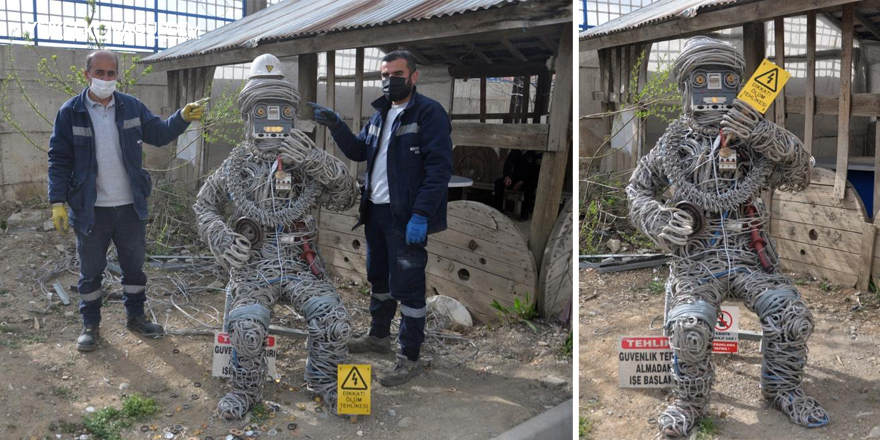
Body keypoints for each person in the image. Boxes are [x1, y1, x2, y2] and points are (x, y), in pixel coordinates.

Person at [626, 37, 827, 437]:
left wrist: (764, 134)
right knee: (689, 329)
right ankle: (688, 400)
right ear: (686, 88)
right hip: (697, 260)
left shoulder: (755, 141)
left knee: (791, 316)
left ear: (740, 85)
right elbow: (637, 189)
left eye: (727, 80)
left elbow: (802, 175)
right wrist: (658, 218)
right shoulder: (674, 145)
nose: (715, 92)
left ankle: (782, 388)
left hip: (752, 259)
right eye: (703, 80)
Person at [308, 50, 453, 386]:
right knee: (379, 279)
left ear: (414, 76)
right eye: (384, 75)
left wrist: (420, 215)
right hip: (375, 211)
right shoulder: (380, 114)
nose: (390, 81)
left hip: (405, 217)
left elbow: (439, 170)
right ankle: (378, 337)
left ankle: (410, 355)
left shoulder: (428, 114)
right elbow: (360, 151)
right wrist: (337, 125)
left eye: (397, 74)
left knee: (409, 287)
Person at [47, 50, 205, 352]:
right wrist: (57, 201)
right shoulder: (71, 112)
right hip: (90, 208)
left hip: (130, 205)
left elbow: (158, 134)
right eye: (100, 73)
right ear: (87, 74)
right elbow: (59, 158)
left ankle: (135, 317)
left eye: (111, 73)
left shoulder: (131, 106)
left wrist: (181, 118)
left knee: (134, 268)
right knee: (91, 270)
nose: (106, 79)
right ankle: (90, 324)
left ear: (117, 75)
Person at [492, 150, 542, 220]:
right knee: (499, 182)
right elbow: (508, 164)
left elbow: (535, 172)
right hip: (515, 177)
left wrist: (522, 181)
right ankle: (499, 209)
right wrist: (507, 176)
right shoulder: (515, 151)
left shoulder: (534, 152)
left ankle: (524, 213)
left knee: (530, 186)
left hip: (527, 179)